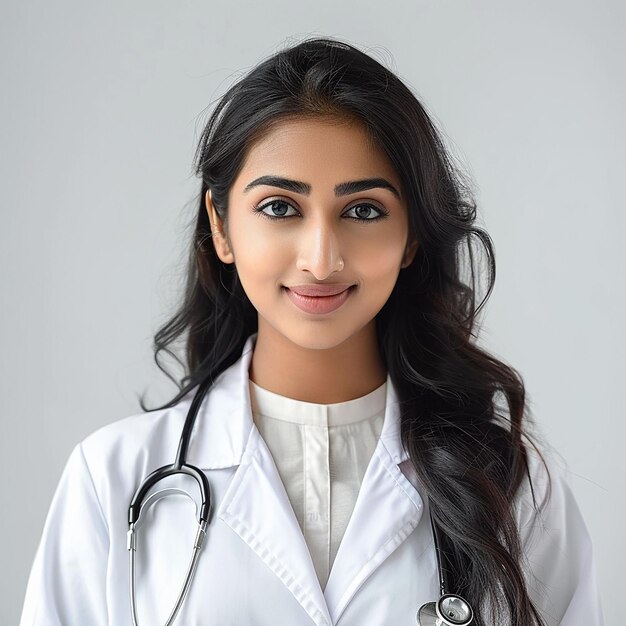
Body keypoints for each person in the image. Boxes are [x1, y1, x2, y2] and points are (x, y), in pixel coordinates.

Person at [20, 37, 603, 626]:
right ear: (221, 229)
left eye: (363, 210)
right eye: (279, 207)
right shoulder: (113, 476)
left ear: (413, 238)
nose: (321, 260)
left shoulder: (513, 486)